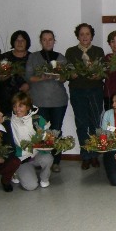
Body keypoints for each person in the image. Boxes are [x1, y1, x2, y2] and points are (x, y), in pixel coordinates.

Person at [26, 30, 69, 172]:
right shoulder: (33, 57)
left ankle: (56, 161)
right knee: (40, 132)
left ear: (54, 41)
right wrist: (41, 78)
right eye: (44, 39)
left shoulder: (61, 57)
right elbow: (28, 77)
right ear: (41, 41)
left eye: (50, 39)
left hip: (58, 101)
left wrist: (58, 76)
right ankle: (42, 161)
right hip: (39, 101)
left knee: (56, 131)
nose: (48, 42)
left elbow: (65, 78)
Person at [65, 23, 105, 170]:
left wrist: (99, 76)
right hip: (78, 91)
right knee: (81, 124)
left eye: (87, 34)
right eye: (82, 34)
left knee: (95, 123)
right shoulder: (71, 52)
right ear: (78, 36)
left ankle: (95, 155)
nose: (85, 37)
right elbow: (67, 72)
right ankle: (86, 155)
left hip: (95, 90)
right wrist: (72, 75)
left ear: (92, 35)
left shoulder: (98, 51)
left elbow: (103, 71)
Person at [10, 92, 54, 190]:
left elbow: (47, 138)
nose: (17, 109)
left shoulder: (37, 119)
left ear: (28, 107)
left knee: (48, 158)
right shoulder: (9, 122)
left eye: (20, 106)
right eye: (14, 106)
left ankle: (44, 178)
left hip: (37, 154)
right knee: (31, 186)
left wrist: (47, 141)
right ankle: (16, 172)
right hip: (21, 158)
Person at [0, 30, 31, 115]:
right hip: (6, 99)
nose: (19, 43)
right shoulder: (4, 57)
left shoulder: (33, 57)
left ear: (27, 42)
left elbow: (38, 76)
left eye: (22, 40)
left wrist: (29, 85)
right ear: (13, 42)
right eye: (17, 40)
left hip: (26, 98)